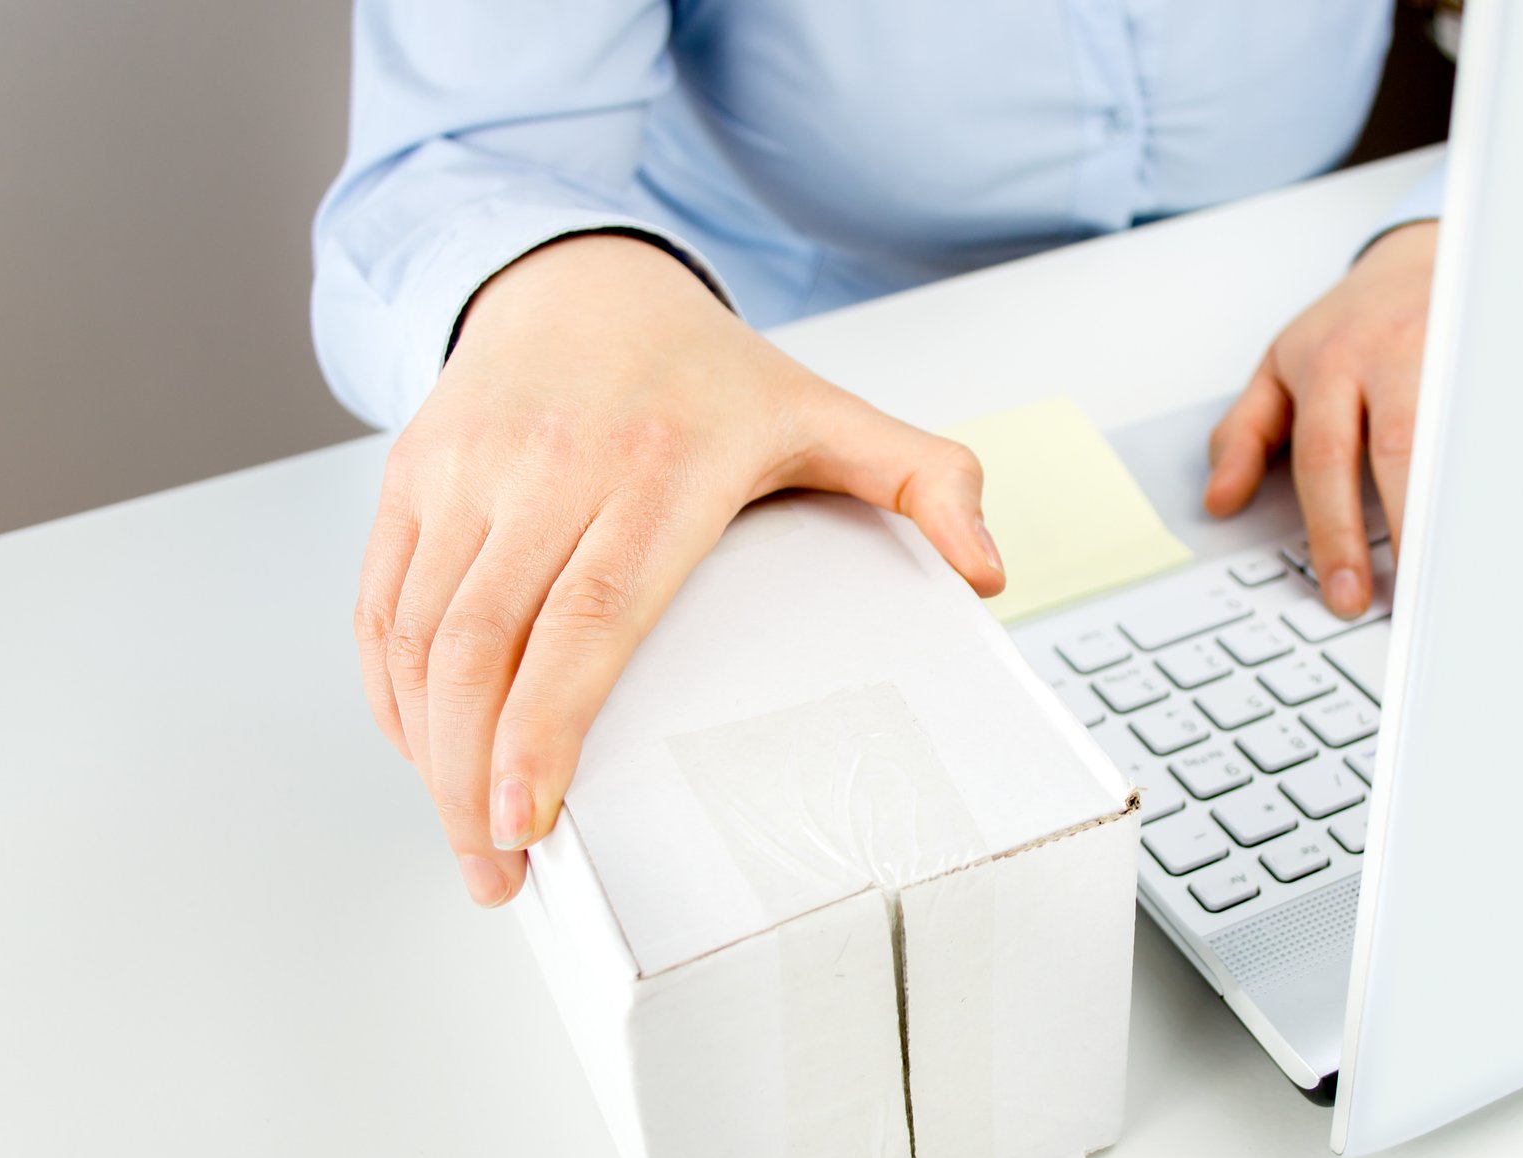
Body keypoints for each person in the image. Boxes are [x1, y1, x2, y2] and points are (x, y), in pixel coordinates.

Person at [313, 2, 1446, 908]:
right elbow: (449, 162)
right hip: (765, 382)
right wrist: (556, 285)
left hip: (1313, 300)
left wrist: (1453, 225)